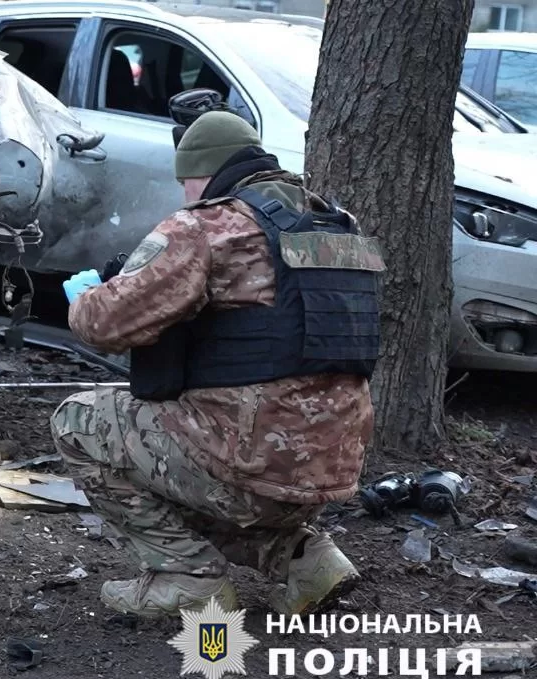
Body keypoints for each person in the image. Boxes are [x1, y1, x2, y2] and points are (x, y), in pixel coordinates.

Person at [52, 110, 385, 617]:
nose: (186, 194)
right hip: (328, 471)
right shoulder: (338, 228)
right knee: (189, 449)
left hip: (245, 467)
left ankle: (187, 578)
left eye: (186, 182)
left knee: (78, 422)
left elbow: (102, 325)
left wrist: (86, 295)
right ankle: (307, 559)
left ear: (202, 173)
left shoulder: (207, 226)